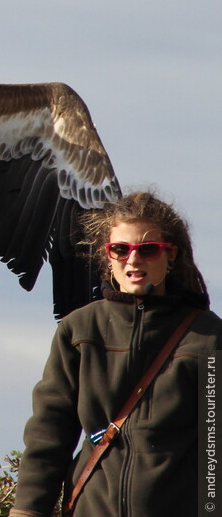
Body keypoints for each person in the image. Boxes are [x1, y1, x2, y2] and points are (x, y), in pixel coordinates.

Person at [11, 191, 222, 517]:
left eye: (148, 250)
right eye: (120, 249)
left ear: (171, 255)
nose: (133, 260)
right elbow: (49, 434)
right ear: (106, 256)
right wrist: (27, 511)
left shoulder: (208, 337)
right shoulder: (79, 329)